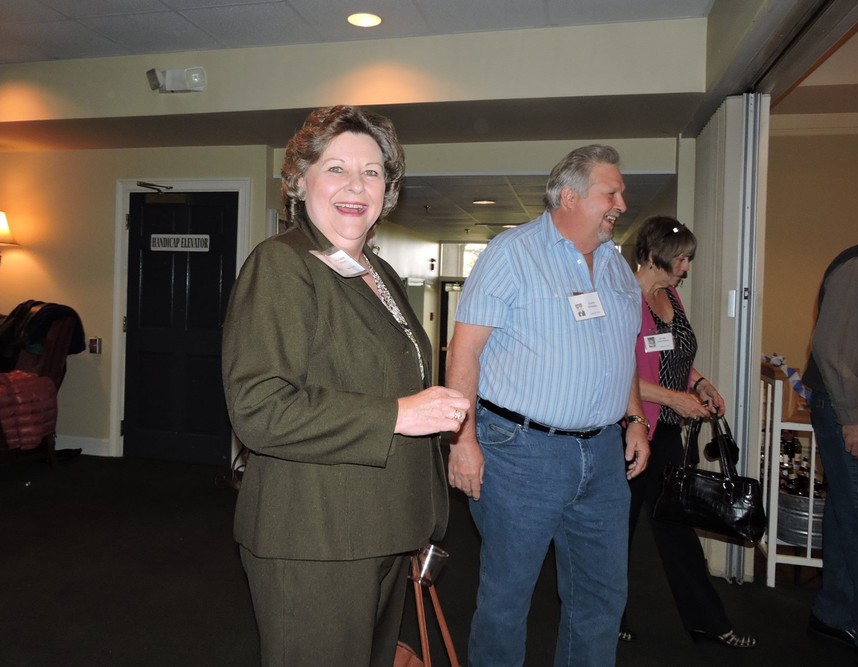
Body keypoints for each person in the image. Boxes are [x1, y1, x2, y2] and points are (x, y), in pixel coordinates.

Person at [221, 105, 471, 667]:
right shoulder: (281, 264)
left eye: (372, 172)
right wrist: (399, 414)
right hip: (314, 537)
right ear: (299, 180)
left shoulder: (377, 273)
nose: (356, 186)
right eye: (336, 168)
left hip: (380, 527)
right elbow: (260, 409)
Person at [446, 144, 651, 667]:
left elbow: (621, 351)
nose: (622, 204)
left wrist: (634, 419)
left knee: (602, 598)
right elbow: (464, 350)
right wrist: (462, 440)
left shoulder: (616, 266)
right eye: (611, 193)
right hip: (521, 453)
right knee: (507, 598)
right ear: (570, 196)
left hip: (603, 455)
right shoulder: (511, 254)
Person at [621, 215, 756, 648]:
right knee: (616, 532)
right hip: (628, 431)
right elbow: (617, 374)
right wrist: (674, 399)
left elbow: (678, 356)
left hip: (664, 433)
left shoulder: (671, 297)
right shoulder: (625, 297)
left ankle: (707, 622)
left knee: (678, 527)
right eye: (680, 259)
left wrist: (699, 384)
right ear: (652, 254)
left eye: (688, 259)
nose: (686, 268)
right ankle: (607, 615)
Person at [801, 210, 858, 667]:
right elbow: (833, 352)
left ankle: (835, 614)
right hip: (851, 411)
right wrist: (854, 420)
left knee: (848, 514)